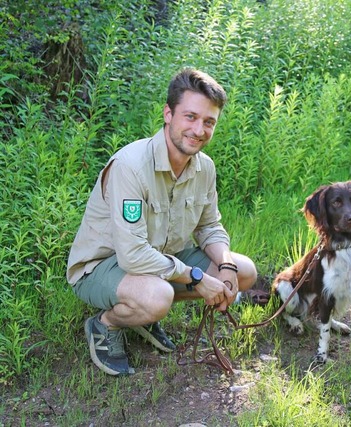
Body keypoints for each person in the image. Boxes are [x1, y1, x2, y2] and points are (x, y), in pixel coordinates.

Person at [66, 68, 257, 376]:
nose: (199, 130)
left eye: (209, 122)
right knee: (159, 296)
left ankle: (144, 312)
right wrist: (196, 277)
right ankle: (105, 324)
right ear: (168, 114)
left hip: (160, 258)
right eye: (190, 117)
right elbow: (132, 255)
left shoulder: (204, 168)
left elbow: (210, 227)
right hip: (102, 266)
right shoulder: (130, 166)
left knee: (244, 271)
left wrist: (226, 266)